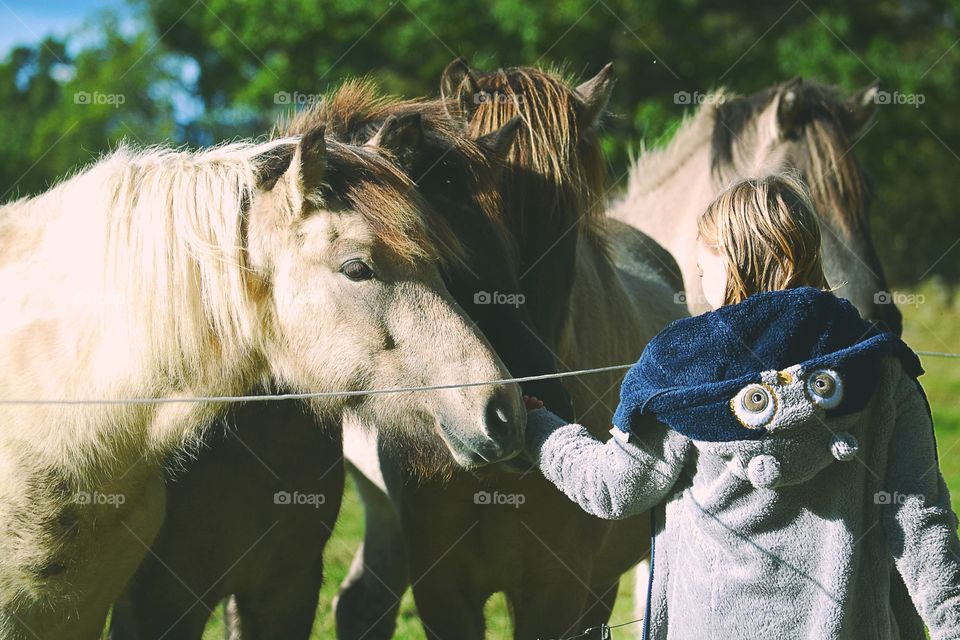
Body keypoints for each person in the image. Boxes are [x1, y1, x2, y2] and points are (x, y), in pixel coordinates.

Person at [524, 174, 960, 639]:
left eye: (703, 267)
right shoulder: (878, 363)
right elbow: (921, 522)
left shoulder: (681, 365)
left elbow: (613, 489)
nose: (700, 280)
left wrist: (539, 427)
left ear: (733, 262)